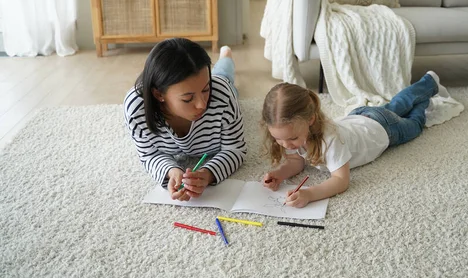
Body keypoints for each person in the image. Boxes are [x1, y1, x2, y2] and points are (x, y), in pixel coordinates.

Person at [261, 71, 449, 208]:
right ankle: (428, 82)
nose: (286, 145)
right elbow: (296, 161)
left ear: (310, 120)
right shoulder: (291, 133)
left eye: (292, 139)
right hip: (361, 116)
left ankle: (425, 96)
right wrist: (280, 174)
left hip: (383, 129)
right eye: (279, 139)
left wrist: (309, 194)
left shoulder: (330, 139)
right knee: (394, 106)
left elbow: (341, 180)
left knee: (414, 125)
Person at [124, 38, 246, 201]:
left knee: (224, 76)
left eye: (205, 90)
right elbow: (148, 155)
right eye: (188, 98)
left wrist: (208, 174)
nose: (202, 104)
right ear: (159, 94)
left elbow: (236, 149)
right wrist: (171, 171)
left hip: (222, 84)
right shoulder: (136, 108)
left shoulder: (221, 95)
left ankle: (226, 56)